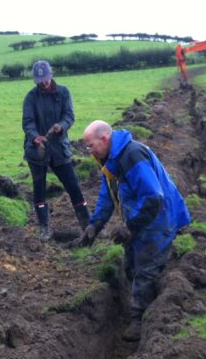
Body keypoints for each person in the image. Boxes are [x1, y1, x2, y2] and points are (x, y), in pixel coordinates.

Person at [79, 120, 191, 341]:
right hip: (140, 219)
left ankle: (141, 321)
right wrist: (95, 225)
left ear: (104, 138)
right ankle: (132, 307)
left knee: (145, 271)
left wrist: (129, 227)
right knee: (130, 267)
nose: (89, 151)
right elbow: (106, 195)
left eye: (90, 145)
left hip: (158, 221)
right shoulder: (110, 159)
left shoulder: (132, 155)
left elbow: (153, 197)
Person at [23, 60, 90, 241]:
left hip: (59, 148)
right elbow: (27, 123)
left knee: (73, 186)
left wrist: (62, 126)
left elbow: (69, 116)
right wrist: (35, 137)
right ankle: (44, 229)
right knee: (39, 189)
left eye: (45, 78)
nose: (43, 83)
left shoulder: (64, 92)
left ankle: (87, 225)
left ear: (51, 75)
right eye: (39, 80)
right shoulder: (30, 97)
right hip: (37, 151)